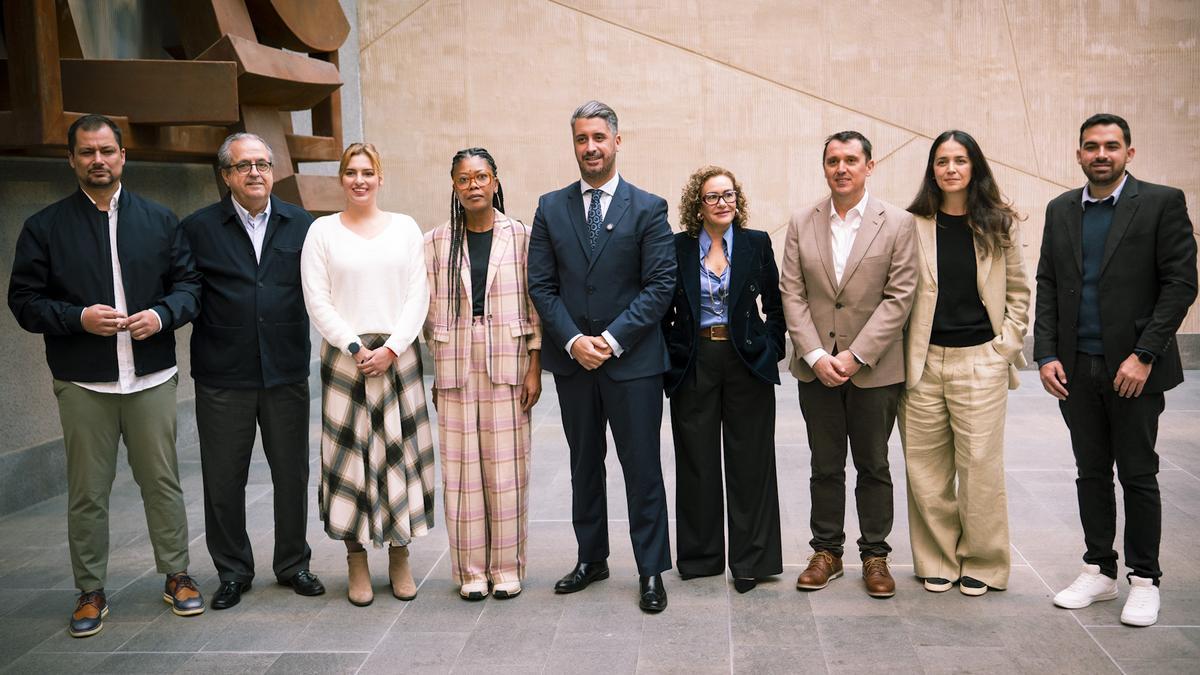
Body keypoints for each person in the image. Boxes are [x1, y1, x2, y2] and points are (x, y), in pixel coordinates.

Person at [8, 114, 204, 637]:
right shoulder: (45, 227)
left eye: (107, 151)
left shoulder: (160, 220)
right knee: (87, 493)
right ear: (71, 160)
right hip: (83, 382)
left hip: (151, 377)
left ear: (123, 156)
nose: (98, 160)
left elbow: (190, 286)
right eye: (87, 152)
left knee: (161, 483)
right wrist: (78, 318)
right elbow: (23, 301)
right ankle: (90, 589)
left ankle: (177, 575)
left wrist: (161, 315)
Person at [1035, 114, 1197, 627]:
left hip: (1133, 370)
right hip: (1075, 368)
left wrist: (1145, 354)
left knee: (1138, 473)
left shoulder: (1161, 203)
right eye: (1091, 146)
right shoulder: (1061, 209)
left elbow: (1180, 284)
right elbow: (1047, 282)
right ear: (1079, 154)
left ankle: (1145, 580)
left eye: (1111, 146)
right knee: (1090, 472)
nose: (1100, 154)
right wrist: (1046, 354)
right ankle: (1100, 570)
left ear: (1129, 152)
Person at [527, 100, 676, 612]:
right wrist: (574, 341)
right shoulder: (550, 208)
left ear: (616, 140)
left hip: (632, 365)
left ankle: (651, 569)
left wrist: (610, 341)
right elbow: (541, 285)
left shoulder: (649, 208)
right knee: (584, 465)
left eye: (598, 138)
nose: (590, 147)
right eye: (581, 139)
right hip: (574, 365)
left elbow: (660, 286)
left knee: (642, 469)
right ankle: (591, 559)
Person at [179, 132, 324, 610]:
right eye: (244, 166)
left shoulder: (301, 225)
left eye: (263, 164)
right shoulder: (199, 228)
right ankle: (233, 571)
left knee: (291, 474)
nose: (256, 173)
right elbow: (184, 289)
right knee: (223, 480)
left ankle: (293, 564)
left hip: (285, 370)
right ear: (226, 176)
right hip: (223, 374)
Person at [780, 130, 917, 599]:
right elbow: (792, 293)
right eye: (833, 160)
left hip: (874, 370)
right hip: (816, 368)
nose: (841, 168)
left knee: (874, 464)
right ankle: (827, 552)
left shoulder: (897, 223)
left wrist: (856, 355)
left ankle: (876, 555)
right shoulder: (802, 221)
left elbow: (899, 297)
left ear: (869, 166)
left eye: (851, 160)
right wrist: (816, 355)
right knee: (825, 464)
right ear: (825, 167)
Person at [300, 142, 434, 607]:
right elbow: (317, 299)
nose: (360, 180)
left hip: (399, 356)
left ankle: (400, 554)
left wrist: (392, 348)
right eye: (351, 172)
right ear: (342, 179)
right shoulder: (321, 232)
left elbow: (418, 294)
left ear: (380, 177)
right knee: (349, 458)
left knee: (399, 453)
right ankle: (355, 558)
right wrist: (356, 347)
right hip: (347, 358)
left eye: (367, 172)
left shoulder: (405, 228)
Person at [900, 130, 1030, 596]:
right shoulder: (911, 224)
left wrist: (1004, 349)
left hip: (981, 360)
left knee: (980, 469)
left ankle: (984, 561)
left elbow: (1019, 292)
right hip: (922, 363)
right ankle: (937, 557)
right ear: (932, 170)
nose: (950, 168)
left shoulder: (998, 223)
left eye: (959, 160)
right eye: (942, 161)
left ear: (974, 166)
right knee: (926, 470)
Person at [424, 147, 543, 600]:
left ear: (495, 181)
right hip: (454, 362)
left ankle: (506, 568)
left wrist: (535, 363)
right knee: (461, 473)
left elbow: (536, 301)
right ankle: (472, 572)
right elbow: (424, 305)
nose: (473, 185)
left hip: (509, 361)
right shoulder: (435, 241)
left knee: (507, 471)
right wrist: (436, 357)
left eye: (481, 177)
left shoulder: (523, 236)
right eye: (463, 179)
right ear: (454, 186)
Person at [662, 166, 785, 594]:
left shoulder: (756, 243)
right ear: (698, 205)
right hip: (694, 359)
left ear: (738, 199)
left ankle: (752, 560)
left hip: (746, 360)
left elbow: (776, 304)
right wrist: (670, 356)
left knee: (751, 461)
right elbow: (662, 307)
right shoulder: (676, 247)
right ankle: (701, 558)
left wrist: (772, 348)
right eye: (713, 196)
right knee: (696, 461)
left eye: (729, 195)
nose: (722, 203)